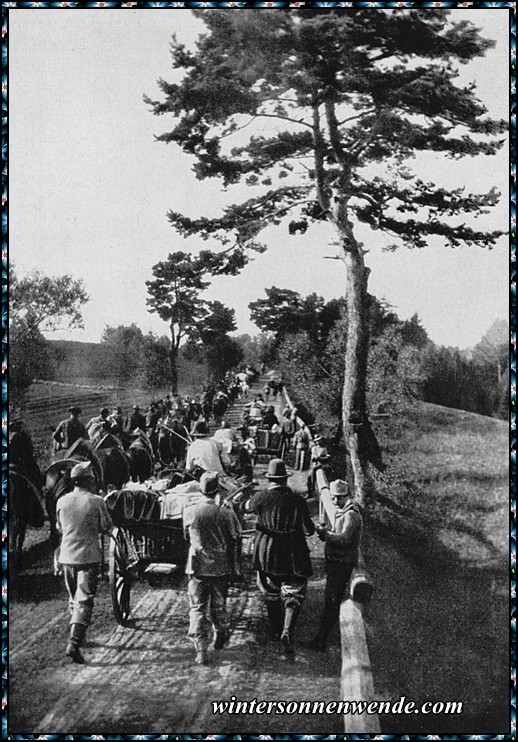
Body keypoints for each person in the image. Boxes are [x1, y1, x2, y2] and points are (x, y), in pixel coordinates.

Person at [246, 458, 315, 657]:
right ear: (285, 479)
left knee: (270, 589)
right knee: (294, 589)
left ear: (270, 479)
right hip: (293, 552)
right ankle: (287, 631)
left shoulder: (260, 498)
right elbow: (308, 530)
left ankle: (276, 630)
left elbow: (246, 508)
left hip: (266, 551)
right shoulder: (298, 501)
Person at [55, 461, 113, 664]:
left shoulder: (62, 501)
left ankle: (81, 637)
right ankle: (74, 643)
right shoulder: (96, 501)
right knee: (85, 600)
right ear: (88, 481)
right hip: (88, 557)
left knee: (73, 598)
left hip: (67, 557)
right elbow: (107, 526)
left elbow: (60, 528)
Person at [183, 471, 242, 665]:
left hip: (197, 566)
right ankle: (220, 634)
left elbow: (186, 537)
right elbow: (235, 537)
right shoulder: (226, 513)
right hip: (220, 566)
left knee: (197, 608)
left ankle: (200, 650)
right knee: (219, 603)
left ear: (200, 490)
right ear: (218, 490)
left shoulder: (190, 511)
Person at [309, 479, 363, 651]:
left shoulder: (351, 515)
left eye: (335, 498)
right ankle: (322, 637)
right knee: (330, 600)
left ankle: (321, 639)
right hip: (337, 561)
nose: (333, 502)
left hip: (342, 563)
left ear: (343, 497)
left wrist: (326, 535)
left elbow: (345, 539)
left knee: (332, 601)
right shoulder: (345, 511)